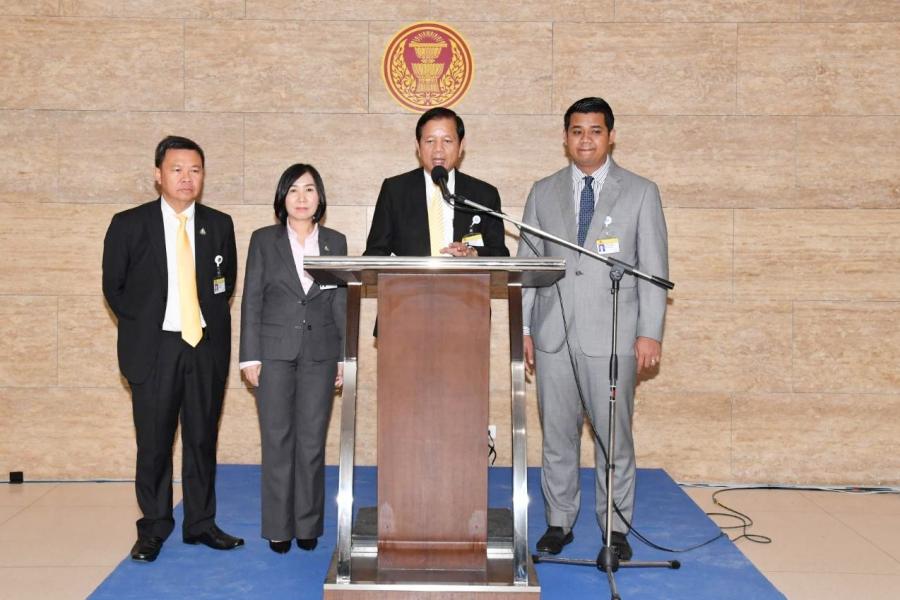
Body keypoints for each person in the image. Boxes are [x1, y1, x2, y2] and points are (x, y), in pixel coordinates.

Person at [517, 97, 669, 562]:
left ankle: (616, 528)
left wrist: (650, 332)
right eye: (577, 131)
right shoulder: (543, 192)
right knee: (557, 435)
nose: (586, 139)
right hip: (553, 336)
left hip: (614, 337)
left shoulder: (641, 192)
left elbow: (653, 268)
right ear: (565, 138)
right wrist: (524, 328)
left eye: (595, 131)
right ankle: (559, 521)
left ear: (611, 136)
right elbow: (527, 267)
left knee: (613, 438)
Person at [102, 135, 242, 562]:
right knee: (154, 444)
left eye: (195, 170)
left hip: (203, 347)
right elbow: (114, 287)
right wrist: (147, 324)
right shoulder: (129, 224)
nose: (186, 178)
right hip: (155, 349)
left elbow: (224, 285)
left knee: (201, 440)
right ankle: (154, 527)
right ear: (158, 174)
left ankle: (200, 523)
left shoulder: (219, 224)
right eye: (177, 169)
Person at [239, 164, 347, 554]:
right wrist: (249, 356)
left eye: (310, 189)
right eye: (294, 190)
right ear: (282, 198)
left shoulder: (335, 241)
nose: (302, 198)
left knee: (312, 441)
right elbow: (252, 299)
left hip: (321, 353)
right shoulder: (263, 240)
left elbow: (340, 302)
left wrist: (344, 357)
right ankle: (278, 527)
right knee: (277, 440)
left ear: (320, 197)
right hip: (273, 353)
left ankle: (307, 524)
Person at [364, 106, 509, 258]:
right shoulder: (395, 191)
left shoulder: (484, 195)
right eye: (430, 141)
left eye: (447, 141)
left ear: (461, 146)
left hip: (465, 274)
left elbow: (500, 254)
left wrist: (474, 253)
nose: (438, 149)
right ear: (418, 147)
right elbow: (375, 253)